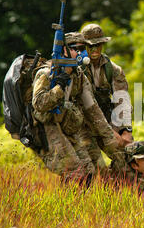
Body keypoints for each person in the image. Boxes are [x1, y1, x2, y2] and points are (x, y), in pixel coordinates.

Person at [31, 32, 124, 186]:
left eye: (83, 48)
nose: (82, 52)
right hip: (46, 128)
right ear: (65, 50)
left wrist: (111, 140)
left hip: (68, 126)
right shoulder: (47, 73)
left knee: (90, 170)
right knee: (74, 171)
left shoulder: (79, 75)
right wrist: (59, 86)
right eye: (77, 48)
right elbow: (39, 104)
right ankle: (66, 206)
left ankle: (81, 203)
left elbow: (92, 109)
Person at [79, 24, 133, 170]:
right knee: (92, 168)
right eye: (90, 46)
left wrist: (125, 131)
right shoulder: (76, 69)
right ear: (84, 46)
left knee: (127, 158)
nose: (95, 49)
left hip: (107, 120)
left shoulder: (113, 70)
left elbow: (122, 101)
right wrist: (109, 130)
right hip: (82, 125)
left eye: (98, 45)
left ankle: (121, 188)